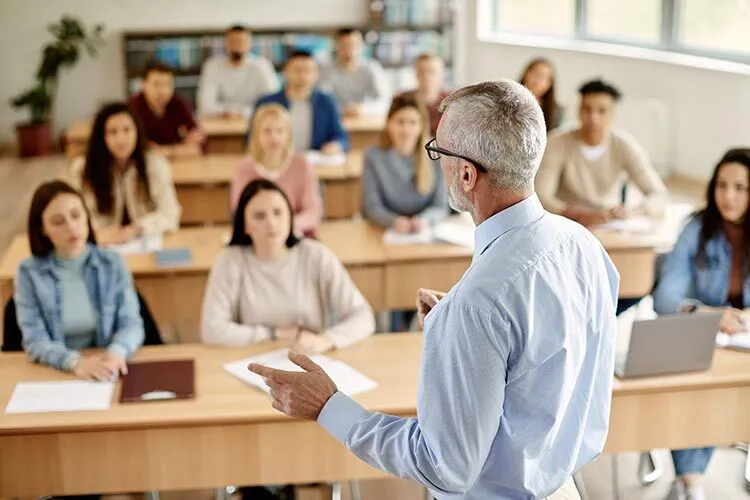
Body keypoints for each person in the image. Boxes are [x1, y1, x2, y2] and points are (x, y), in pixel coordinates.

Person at [248, 80, 620, 499]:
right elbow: (543, 358)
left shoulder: (479, 303)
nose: (435, 161)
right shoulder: (583, 244)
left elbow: (445, 467)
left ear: (466, 174)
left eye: (438, 151)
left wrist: (329, 406)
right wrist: (466, 334)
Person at [653, 148, 750, 500]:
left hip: (743, 344)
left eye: (741, 187)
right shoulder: (696, 229)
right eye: (722, 186)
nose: (729, 196)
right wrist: (709, 315)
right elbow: (665, 298)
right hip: (704, 342)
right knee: (698, 387)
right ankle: (691, 482)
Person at [201, 178, 374, 351]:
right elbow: (212, 330)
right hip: (251, 359)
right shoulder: (230, 260)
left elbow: (363, 317)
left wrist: (327, 340)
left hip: (309, 357)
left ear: (290, 217)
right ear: (244, 225)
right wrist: (271, 334)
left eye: (278, 212)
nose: (271, 223)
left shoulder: (315, 255)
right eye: (259, 216)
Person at [14, 180, 144, 379]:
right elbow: (35, 341)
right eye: (58, 222)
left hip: (106, 366)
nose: (71, 227)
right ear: (42, 229)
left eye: (76, 215)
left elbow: (132, 324)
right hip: (56, 370)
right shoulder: (28, 273)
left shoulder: (112, 263)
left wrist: (117, 352)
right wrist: (74, 362)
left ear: (87, 216)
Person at [535, 79, 668, 227]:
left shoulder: (624, 145)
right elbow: (541, 195)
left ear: (612, 114)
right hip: (565, 222)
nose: (593, 118)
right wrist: (574, 214)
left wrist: (629, 212)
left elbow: (659, 195)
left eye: (602, 111)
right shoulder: (557, 142)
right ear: (579, 111)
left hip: (609, 223)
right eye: (587, 109)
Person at [64, 102, 182, 246]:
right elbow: (72, 215)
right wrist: (97, 234)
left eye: (127, 130)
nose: (121, 139)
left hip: (143, 242)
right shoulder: (82, 169)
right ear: (102, 137)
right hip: (98, 244)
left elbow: (170, 214)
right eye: (112, 132)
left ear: (137, 132)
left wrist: (136, 229)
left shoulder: (155, 164)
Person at [230, 103, 323, 236]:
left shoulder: (302, 165)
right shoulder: (243, 168)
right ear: (256, 135)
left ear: (288, 135)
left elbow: (313, 213)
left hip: (296, 235)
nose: (274, 137)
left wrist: (283, 226)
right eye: (267, 131)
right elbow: (239, 213)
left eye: (280, 131)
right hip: (257, 237)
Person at [362, 94, 448, 231]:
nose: (406, 130)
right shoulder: (373, 156)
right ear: (388, 124)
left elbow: (440, 206)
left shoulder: (436, 153)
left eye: (413, 122)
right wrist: (393, 221)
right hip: (387, 230)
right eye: (400, 122)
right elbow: (372, 207)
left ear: (421, 126)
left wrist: (424, 220)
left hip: (425, 229)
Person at [249, 50, 349, 154]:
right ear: (285, 72)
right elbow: (251, 139)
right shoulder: (266, 102)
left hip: (315, 161)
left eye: (307, 70)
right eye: (297, 70)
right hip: (276, 161)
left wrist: (336, 145)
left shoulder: (327, 102)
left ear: (316, 74)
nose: (302, 75)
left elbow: (341, 137)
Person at [197, 24, 279, 118]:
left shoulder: (262, 65)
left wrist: (241, 113)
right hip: (220, 122)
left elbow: (272, 104)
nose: (237, 45)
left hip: (256, 121)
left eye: (241, 41)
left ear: (250, 44)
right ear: (225, 43)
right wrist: (228, 113)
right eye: (233, 41)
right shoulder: (212, 66)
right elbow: (204, 106)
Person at [129, 61, 204, 158]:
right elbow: (139, 149)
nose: (162, 91)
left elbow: (197, 146)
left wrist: (166, 151)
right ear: (143, 85)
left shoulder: (179, 105)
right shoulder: (132, 108)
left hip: (179, 164)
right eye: (156, 84)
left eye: (167, 84)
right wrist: (180, 148)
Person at [318, 28, 390, 117]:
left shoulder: (372, 68)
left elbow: (385, 101)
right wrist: (343, 109)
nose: (349, 49)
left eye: (354, 45)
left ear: (362, 46)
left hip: (367, 118)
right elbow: (320, 100)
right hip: (336, 117)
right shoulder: (327, 70)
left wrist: (362, 109)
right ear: (336, 46)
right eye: (344, 45)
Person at [398, 53, 452, 136]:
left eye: (431, 71)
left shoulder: (450, 101)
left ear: (441, 74)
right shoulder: (403, 100)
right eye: (422, 71)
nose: (426, 76)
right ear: (416, 74)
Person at [519, 57, 563, 132]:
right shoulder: (507, 99)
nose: (537, 81)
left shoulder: (556, 112)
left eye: (542, 77)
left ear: (549, 84)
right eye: (535, 73)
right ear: (525, 74)